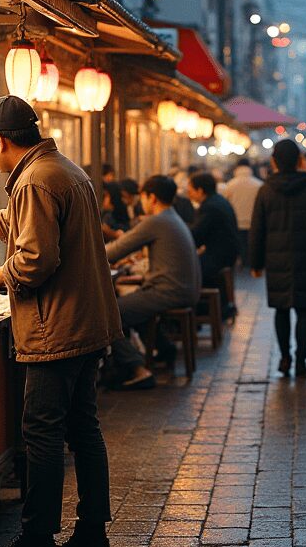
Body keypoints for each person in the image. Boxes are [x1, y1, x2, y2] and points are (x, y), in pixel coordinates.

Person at [0, 95, 121, 547]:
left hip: (56, 330)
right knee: (84, 431)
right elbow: (14, 223)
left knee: (41, 435)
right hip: (88, 323)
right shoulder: (59, 169)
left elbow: (35, 261)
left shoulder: (37, 181)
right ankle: (90, 539)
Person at [249, 139, 306, 379]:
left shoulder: (265, 190)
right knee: (304, 311)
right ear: (300, 161)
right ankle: (301, 361)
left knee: (281, 311)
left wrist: (256, 263)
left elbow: (257, 229)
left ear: (273, 162)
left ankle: (284, 358)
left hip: (277, 261)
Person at [104, 175, 201, 389]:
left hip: (170, 292)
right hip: (183, 289)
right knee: (132, 304)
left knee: (106, 315)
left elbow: (116, 249)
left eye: (144, 197)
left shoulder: (157, 221)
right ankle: (165, 350)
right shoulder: (171, 217)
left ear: (152, 198)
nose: (142, 202)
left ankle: (137, 369)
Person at [187, 172, 239, 311]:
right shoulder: (218, 200)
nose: (189, 194)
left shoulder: (209, 207)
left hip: (219, 256)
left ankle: (197, 313)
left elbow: (196, 236)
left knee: (188, 271)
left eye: (190, 190)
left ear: (200, 190)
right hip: (226, 252)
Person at [222, 157, 263, 267]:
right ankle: (251, 262)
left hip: (236, 221)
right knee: (251, 244)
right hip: (253, 221)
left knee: (240, 244)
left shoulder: (230, 184)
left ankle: (241, 262)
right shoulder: (258, 185)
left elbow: (225, 203)